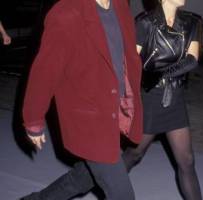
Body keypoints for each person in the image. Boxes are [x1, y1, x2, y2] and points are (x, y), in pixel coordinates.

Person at [21, 0, 143, 199]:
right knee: (122, 194)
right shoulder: (67, 12)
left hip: (114, 109)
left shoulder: (120, 5)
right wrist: (34, 119)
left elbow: (124, 53)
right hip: (88, 116)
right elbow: (45, 71)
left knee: (85, 177)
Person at [122, 0, 203, 200]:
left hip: (174, 97)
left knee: (187, 161)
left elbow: (192, 60)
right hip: (150, 98)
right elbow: (130, 64)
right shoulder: (145, 22)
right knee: (135, 154)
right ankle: (107, 180)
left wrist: (161, 74)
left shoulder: (192, 22)